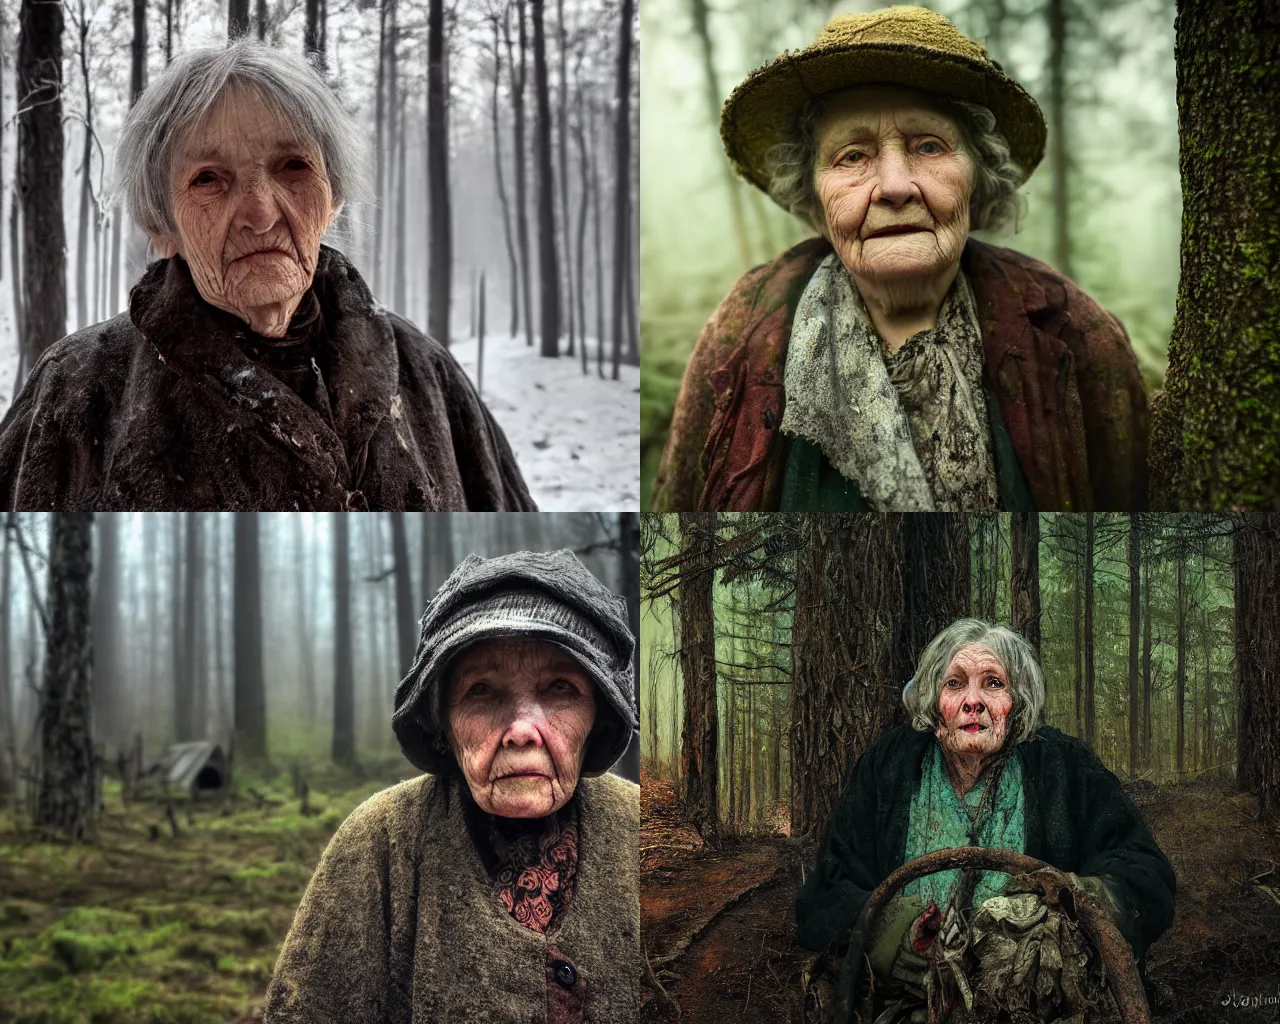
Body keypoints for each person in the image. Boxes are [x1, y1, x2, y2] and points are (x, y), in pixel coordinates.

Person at [0, 41, 534, 511]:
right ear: (160, 221)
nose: (260, 212)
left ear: (334, 199)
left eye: (293, 167)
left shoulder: (426, 375)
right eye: (209, 179)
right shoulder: (77, 392)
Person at [653, 5, 1148, 512]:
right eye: (853, 156)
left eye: (929, 147)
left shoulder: (1070, 328)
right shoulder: (745, 326)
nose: (893, 186)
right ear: (815, 196)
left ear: (977, 182)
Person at [263, 549, 640, 1024]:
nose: (522, 730)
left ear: (598, 714)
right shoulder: (380, 840)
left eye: (559, 689)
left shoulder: (638, 826)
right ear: (443, 722)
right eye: (481, 692)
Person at [796, 619, 1174, 1023]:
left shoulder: (1065, 767)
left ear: (1019, 701)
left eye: (993, 683)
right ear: (932, 703)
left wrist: (1070, 901)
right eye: (955, 683)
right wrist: (887, 928)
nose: (972, 701)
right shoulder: (888, 766)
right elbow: (825, 893)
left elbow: (1146, 876)